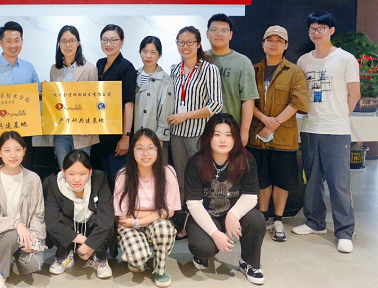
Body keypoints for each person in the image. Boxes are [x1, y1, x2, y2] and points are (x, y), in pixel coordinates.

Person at [293, 11, 360, 253]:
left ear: (331, 30)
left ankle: (344, 231)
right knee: (311, 180)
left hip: (336, 131)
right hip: (310, 128)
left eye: (321, 28)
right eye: (312, 28)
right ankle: (315, 222)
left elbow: (355, 94)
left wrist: (341, 115)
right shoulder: (303, 61)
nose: (316, 32)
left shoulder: (345, 59)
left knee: (339, 183)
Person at [184, 113, 265, 285]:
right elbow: (194, 204)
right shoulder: (196, 163)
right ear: (209, 137)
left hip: (233, 215)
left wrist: (233, 214)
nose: (223, 140)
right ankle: (202, 256)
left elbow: (251, 196)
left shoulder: (246, 159)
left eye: (228, 135)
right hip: (207, 214)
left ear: (235, 138)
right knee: (203, 247)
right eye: (217, 134)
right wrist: (215, 234)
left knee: (257, 219)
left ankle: (249, 263)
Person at [247, 26, 308, 242]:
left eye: (279, 40)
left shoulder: (295, 72)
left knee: (282, 181)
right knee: (262, 179)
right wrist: (264, 120)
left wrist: (274, 124)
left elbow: (298, 102)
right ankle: (263, 217)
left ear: (286, 45)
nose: (273, 44)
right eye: (269, 39)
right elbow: (246, 101)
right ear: (263, 43)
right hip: (257, 136)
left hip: (284, 138)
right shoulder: (252, 70)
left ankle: (278, 219)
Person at [114, 128, 181, 288]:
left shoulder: (167, 173)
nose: (145, 153)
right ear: (132, 151)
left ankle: (160, 268)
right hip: (129, 227)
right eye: (140, 148)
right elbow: (123, 216)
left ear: (158, 149)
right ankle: (139, 258)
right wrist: (155, 213)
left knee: (164, 229)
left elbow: (169, 211)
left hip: (143, 223)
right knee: (138, 260)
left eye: (150, 148)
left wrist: (138, 221)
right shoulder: (123, 176)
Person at [0, 131, 46, 288]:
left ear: (24, 151)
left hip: (27, 235)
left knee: (34, 264)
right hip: (1, 235)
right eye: (7, 150)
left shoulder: (33, 179)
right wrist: (16, 224)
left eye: (17, 149)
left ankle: (14, 259)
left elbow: (38, 215)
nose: (13, 155)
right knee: (10, 235)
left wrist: (33, 238)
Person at [0, 21, 41, 174]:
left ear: (22, 41)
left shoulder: (29, 68)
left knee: (25, 171)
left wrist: (45, 92)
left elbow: (37, 96)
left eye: (17, 40)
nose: (13, 45)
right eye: (8, 41)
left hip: (24, 131)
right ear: (0, 42)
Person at [168, 26, 222, 199]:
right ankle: (183, 210)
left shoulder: (209, 69)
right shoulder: (174, 70)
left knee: (201, 176)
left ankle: (203, 210)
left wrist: (186, 115)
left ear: (198, 44)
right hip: (176, 133)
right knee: (180, 176)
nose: (185, 46)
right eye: (181, 42)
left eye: (190, 42)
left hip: (198, 133)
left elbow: (216, 105)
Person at [44, 150, 114, 279]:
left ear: (90, 172)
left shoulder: (99, 179)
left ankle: (100, 257)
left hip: (91, 225)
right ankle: (64, 254)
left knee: (103, 220)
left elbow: (107, 217)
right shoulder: (54, 183)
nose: (77, 179)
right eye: (71, 174)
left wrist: (90, 244)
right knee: (59, 220)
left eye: (82, 174)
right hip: (70, 225)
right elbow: (51, 222)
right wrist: (86, 242)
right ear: (63, 172)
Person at [50, 25, 99, 169]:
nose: (68, 45)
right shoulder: (55, 69)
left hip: (82, 131)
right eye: (63, 41)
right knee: (64, 170)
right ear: (59, 43)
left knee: (81, 172)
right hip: (61, 131)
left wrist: (89, 126)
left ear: (78, 43)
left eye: (72, 41)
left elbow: (95, 101)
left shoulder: (90, 68)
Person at [205, 14, 259, 145]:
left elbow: (248, 99)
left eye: (224, 30)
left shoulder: (242, 62)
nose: (219, 34)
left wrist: (244, 131)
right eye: (214, 30)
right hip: (201, 129)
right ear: (207, 33)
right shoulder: (199, 59)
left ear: (231, 35)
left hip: (230, 129)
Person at [96, 24, 137, 185]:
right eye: (105, 40)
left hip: (117, 135)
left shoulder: (127, 67)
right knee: (105, 179)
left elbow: (129, 104)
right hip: (101, 133)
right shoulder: (100, 64)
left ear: (122, 42)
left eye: (113, 40)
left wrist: (125, 137)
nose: (109, 44)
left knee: (119, 180)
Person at [134, 36, 174, 164]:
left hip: (155, 136)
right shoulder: (134, 75)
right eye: (145, 51)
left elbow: (166, 110)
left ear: (159, 55)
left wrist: (160, 138)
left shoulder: (165, 79)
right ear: (140, 52)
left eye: (153, 52)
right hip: (135, 135)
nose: (148, 56)